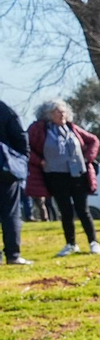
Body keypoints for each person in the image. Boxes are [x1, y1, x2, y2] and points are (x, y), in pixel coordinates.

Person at [28, 100, 100, 257]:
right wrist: (40, 161)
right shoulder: (39, 130)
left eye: (64, 111)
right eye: (57, 111)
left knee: (83, 210)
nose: (62, 114)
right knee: (65, 211)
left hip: (78, 174)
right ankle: (71, 244)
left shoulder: (72, 128)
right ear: (48, 115)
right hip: (55, 175)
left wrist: (87, 158)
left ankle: (93, 242)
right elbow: (26, 148)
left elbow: (94, 140)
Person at [0, 99, 28, 265]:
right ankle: (13, 254)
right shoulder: (4, 109)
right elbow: (20, 137)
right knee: (10, 213)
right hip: (5, 167)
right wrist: (22, 159)